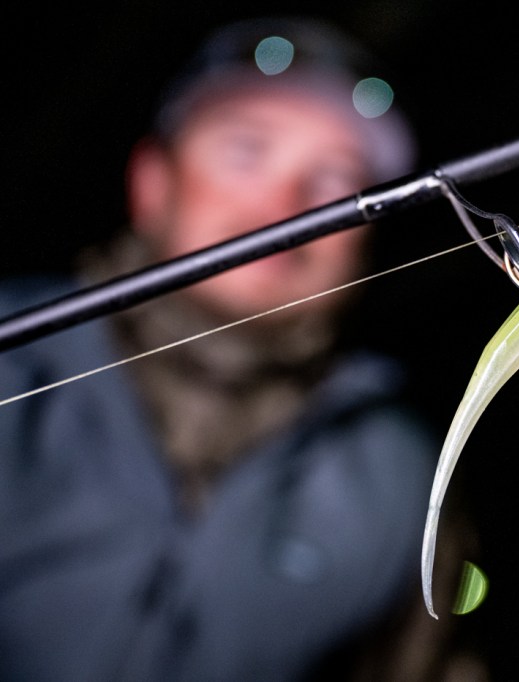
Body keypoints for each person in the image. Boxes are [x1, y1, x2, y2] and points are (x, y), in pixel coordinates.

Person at [0, 16, 486, 681]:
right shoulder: (13, 355)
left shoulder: (401, 472)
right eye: (245, 151)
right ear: (152, 182)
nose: (287, 204)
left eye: (334, 178)